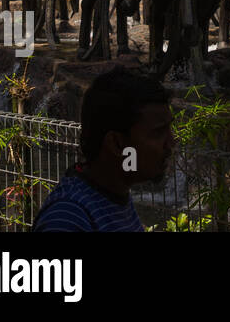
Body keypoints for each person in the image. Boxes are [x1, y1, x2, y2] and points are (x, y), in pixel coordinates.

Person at [32, 67, 175, 232]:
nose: (171, 143)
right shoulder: (67, 221)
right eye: (158, 133)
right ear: (116, 144)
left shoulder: (113, 196)